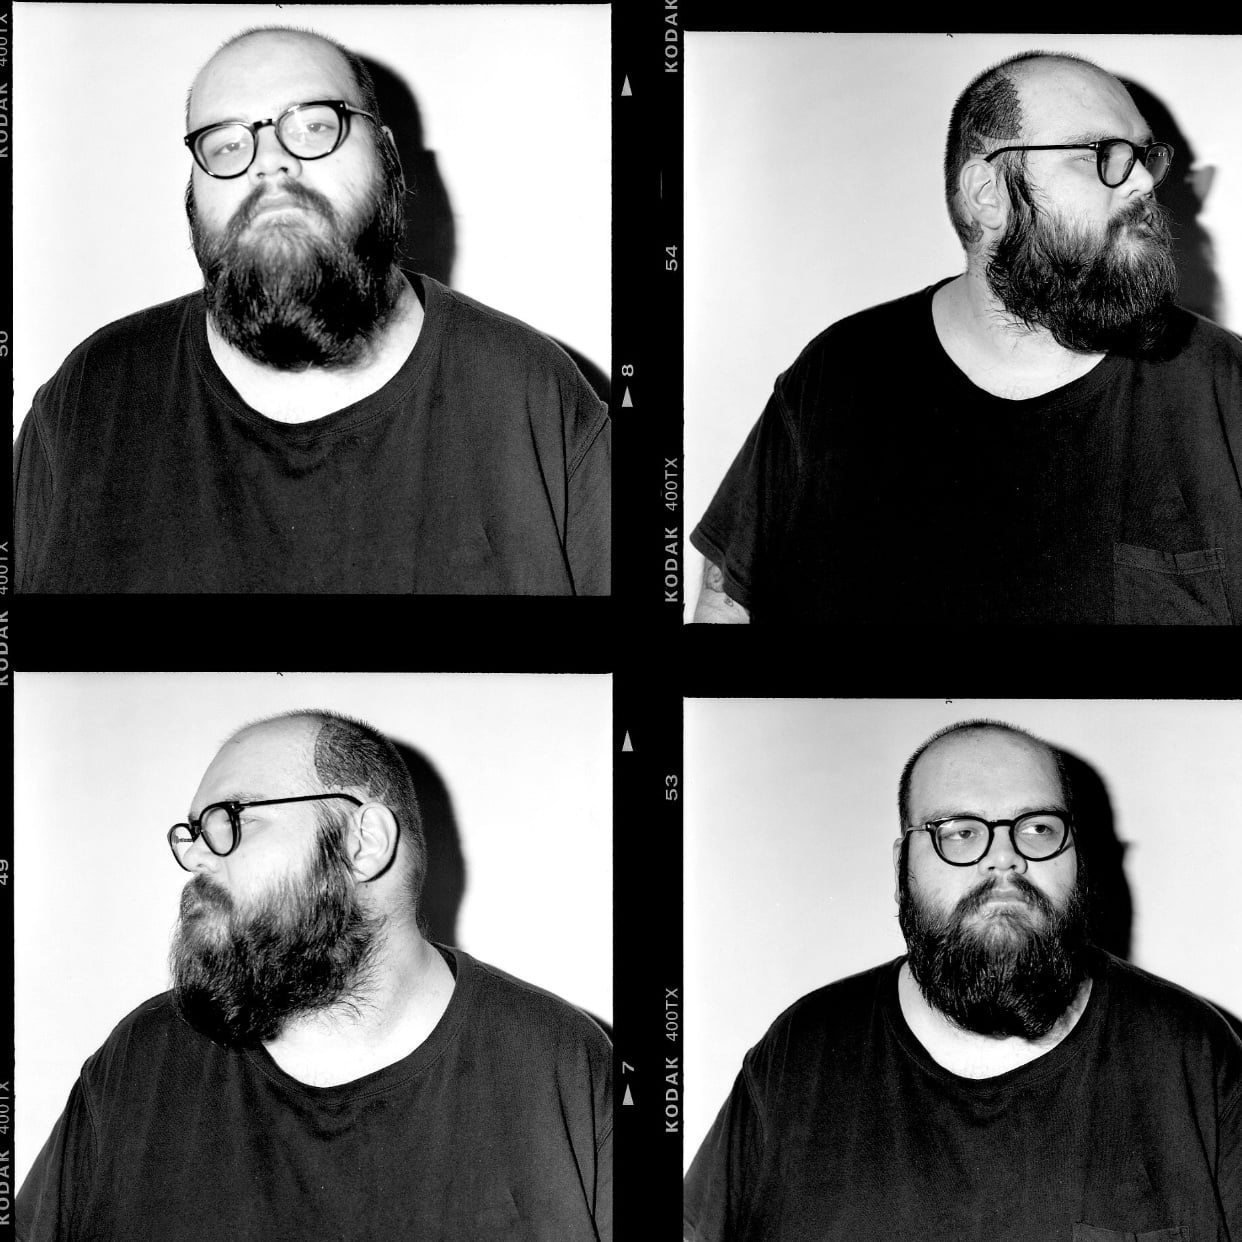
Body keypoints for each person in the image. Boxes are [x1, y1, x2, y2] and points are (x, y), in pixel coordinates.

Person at [13, 27, 610, 594]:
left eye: (315, 125)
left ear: (387, 158)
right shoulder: (87, 399)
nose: (269, 161)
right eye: (226, 143)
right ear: (194, 190)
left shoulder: (533, 396)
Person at [690, 51, 1242, 624]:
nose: (1144, 182)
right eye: (1099, 153)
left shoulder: (1223, 388)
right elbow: (725, 607)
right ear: (988, 193)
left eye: (1145, 157)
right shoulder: (838, 376)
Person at [17, 710, 612, 1240]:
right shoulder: (140, 1063)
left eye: (231, 818)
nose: (195, 856)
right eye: (193, 833)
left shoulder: (562, 1067)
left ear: (364, 842)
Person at [683, 720, 1242, 1240]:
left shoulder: (1193, 1054)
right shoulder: (798, 1054)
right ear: (902, 866)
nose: (1004, 859)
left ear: (1079, 858)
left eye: (1038, 828)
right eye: (959, 833)